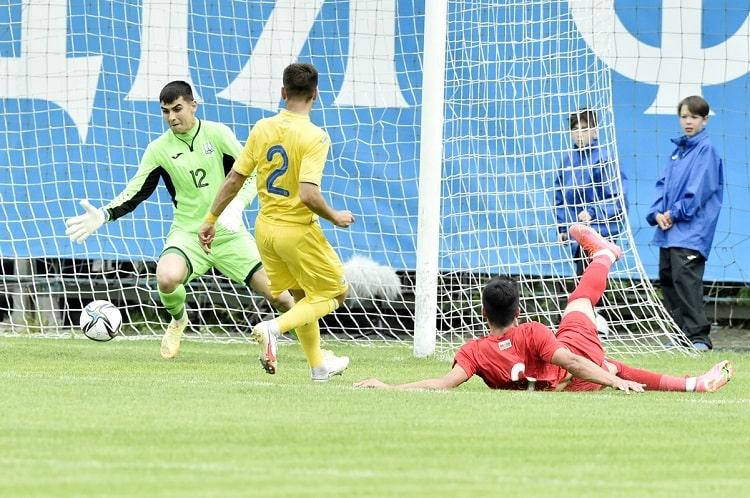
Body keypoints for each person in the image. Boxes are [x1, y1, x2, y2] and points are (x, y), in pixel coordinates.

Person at [355, 224, 733, 393]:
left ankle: (692, 384)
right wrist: (613, 381)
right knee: (579, 305)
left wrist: (388, 386)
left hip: (566, 389)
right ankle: (604, 255)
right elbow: (573, 361)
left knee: (609, 366)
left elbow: (442, 384)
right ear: (519, 311)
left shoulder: (474, 352)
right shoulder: (533, 331)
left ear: (483, 313)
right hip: (577, 364)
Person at [65, 80, 294, 359]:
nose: (171, 117)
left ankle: (316, 352)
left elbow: (251, 173)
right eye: (165, 111)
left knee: (282, 298)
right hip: (188, 235)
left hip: (229, 233)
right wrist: (104, 214)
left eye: (177, 109)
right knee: (166, 277)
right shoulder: (159, 149)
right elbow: (136, 190)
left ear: (193, 105)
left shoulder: (218, 134)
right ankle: (178, 320)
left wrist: (236, 206)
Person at [199, 63, 354, 383]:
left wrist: (211, 218)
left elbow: (235, 178)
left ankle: (318, 368)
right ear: (315, 94)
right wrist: (335, 216)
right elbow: (308, 194)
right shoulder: (315, 136)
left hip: (265, 230)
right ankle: (273, 328)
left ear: (283, 92)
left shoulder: (262, 128)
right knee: (336, 293)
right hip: (296, 231)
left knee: (302, 297)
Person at [646, 96, 724, 351]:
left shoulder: (706, 149)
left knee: (686, 281)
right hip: (668, 232)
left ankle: (699, 337)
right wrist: (657, 213)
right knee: (668, 280)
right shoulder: (677, 151)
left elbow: (699, 190)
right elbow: (662, 185)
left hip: (691, 231)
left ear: (704, 120)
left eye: (694, 117)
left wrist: (673, 213)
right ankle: (680, 337)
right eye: (684, 116)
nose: (688, 121)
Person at [555, 108, 627, 276]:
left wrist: (592, 212)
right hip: (578, 237)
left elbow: (617, 200)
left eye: (585, 129)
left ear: (595, 131)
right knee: (584, 282)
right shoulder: (567, 161)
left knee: (590, 282)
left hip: (600, 235)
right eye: (575, 129)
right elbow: (560, 198)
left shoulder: (605, 158)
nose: (579, 134)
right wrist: (563, 228)